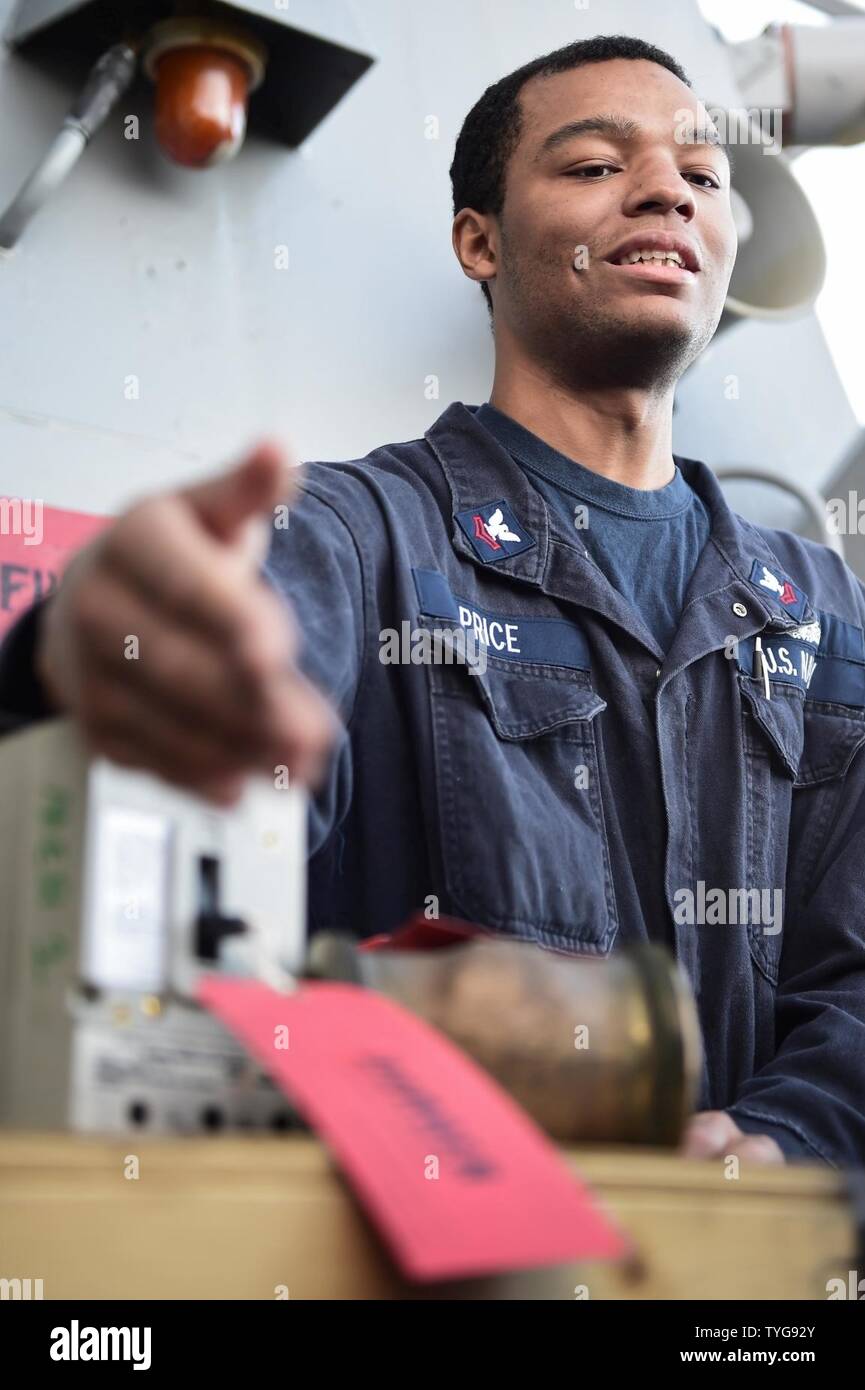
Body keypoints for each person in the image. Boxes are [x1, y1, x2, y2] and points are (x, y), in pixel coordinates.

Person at [2, 35, 863, 1168]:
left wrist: (782, 1136)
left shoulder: (826, 606)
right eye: (597, 165)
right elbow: (173, 761)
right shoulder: (352, 538)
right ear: (479, 241)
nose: (669, 188)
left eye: (703, 177)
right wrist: (86, 653)